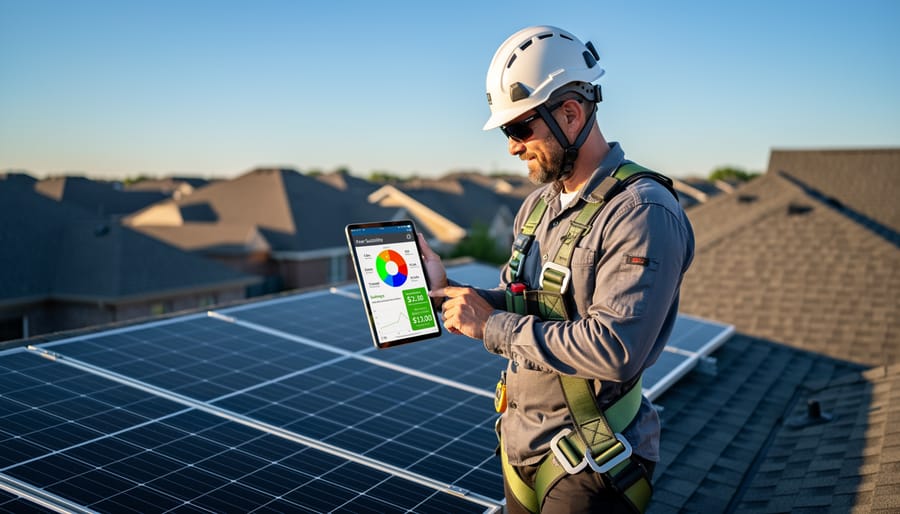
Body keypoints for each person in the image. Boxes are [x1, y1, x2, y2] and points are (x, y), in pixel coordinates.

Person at [421, 25, 695, 513]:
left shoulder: (641, 212)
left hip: (591, 462)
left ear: (571, 113)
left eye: (520, 128)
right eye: (508, 131)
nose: (511, 146)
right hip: (521, 447)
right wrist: (448, 291)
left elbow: (615, 348)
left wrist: (490, 326)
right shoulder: (536, 209)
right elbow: (525, 302)